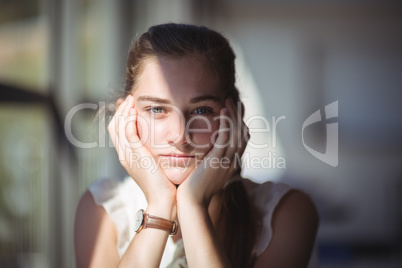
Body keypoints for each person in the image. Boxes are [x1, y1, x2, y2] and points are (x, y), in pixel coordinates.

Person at [74, 23, 319, 268]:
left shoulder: (287, 214)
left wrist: (192, 206)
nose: (180, 135)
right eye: (157, 109)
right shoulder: (102, 209)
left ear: (234, 117)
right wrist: (161, 205)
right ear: (125, 117)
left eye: (202, 110)